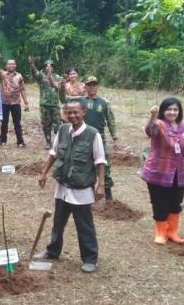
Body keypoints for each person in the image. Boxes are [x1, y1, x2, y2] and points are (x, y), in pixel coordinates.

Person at [36, 99, 106, 273]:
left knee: (84, 225)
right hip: (62, 187)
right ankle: (53, 251)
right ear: (65, 114)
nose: (73, 115)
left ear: (84, 113)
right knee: (57, 223)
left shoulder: (93, 134)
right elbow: (54, 153)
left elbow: (100, 161)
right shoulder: (63, 130)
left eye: (76, 112)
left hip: (81, 189)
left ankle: (90, 259)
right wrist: (44, 172)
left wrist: (101, 185)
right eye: (69, 112)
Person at [141, 98, 184, 245]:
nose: (172, 112)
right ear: (163, 111)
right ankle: (160, 232)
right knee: (160, 202)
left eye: (175, 110)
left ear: (179, 111)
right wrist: (153, 117)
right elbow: (150, 131)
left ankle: (172, 232)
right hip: (158, 172)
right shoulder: (159, 124)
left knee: (175, 202)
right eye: (168, 109)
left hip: (179, 174)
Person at [82, 76, 119, 201]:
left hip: (99, 137)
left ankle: (108, 194)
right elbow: (63, 100)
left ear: (97, 86)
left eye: (94, 84)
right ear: (85, 86)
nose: (92, 87)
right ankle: (90, 193)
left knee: (104, 164)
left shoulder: (104, 103)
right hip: (84, 137)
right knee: (86, 165)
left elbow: (111, 121)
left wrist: (115, 138)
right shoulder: (80, 101)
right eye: (89, 84)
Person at [0, 50, 30, 148]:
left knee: (17, 123)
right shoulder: (2, 74)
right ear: (6, 66)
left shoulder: (19, 76)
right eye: (9, 64)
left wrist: (26, 103)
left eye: (13, 64)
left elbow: (22, 89)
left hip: (16, 103)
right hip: (4, 103)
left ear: (15, 65)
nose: (11, 65)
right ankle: (3, 141)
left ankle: (20, 142)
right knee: (4, 123)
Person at [29, 57, 62, 149]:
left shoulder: (58, 77)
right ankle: (48, 142)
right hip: (44, 105)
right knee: (46, 125)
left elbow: (60, 88)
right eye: (47, 66)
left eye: (51, 66)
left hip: (55, 105)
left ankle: (58, 142)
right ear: (44, 67)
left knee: (58, 125)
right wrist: (32, 63)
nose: (49, 67)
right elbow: (34, 72)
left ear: (53, 67)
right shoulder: (41, 75)